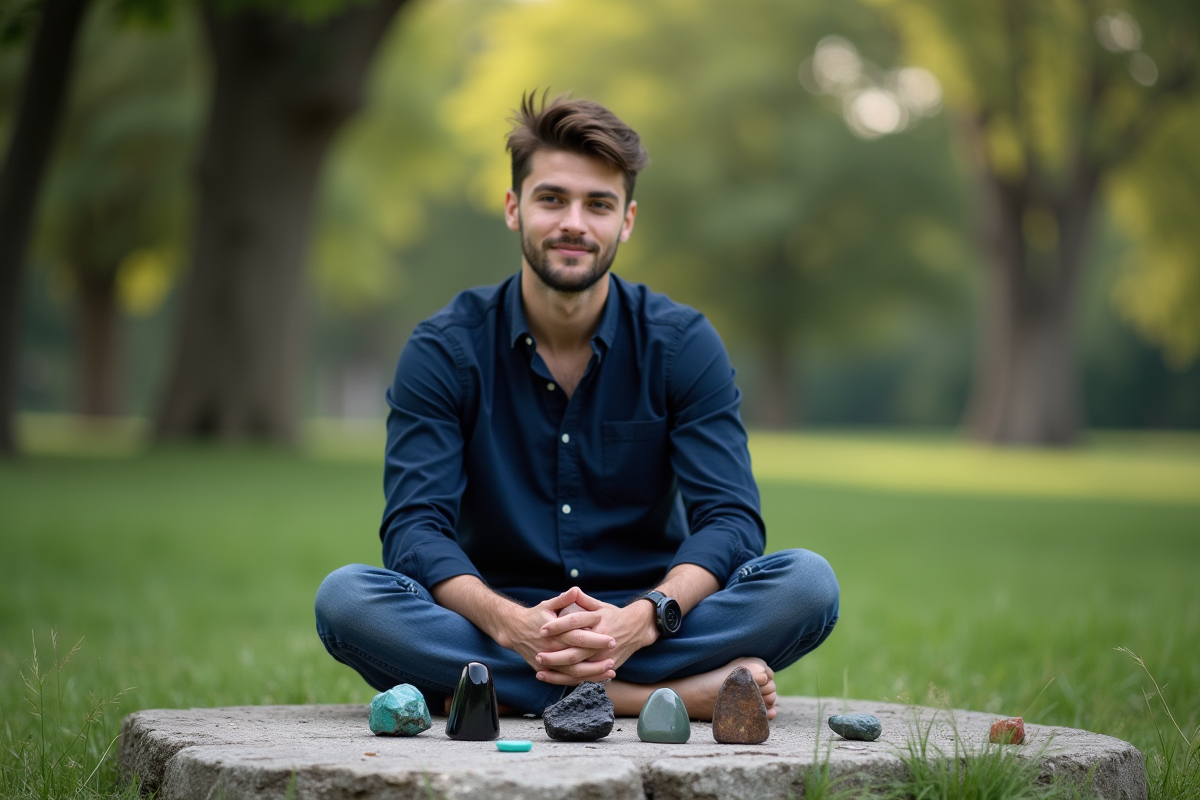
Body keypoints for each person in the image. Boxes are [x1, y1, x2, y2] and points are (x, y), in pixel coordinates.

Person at [314, 93, 839, 720]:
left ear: (628, 219)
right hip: (495, 617)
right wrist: (513, 625)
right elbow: (415, 529)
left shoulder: (682, 344)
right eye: (552, 199)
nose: (575, 224)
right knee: (346, 600)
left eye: (599, 204)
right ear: (514, 208)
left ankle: (492, 688)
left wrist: (642, 620)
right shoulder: (443, 349)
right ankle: (645, 699)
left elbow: (729, 520)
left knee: (808, 584)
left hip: (651, 620)